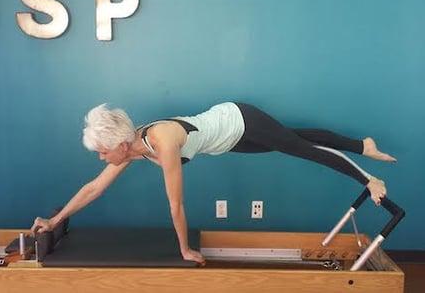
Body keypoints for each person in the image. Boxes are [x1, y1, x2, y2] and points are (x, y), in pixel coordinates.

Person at [31, 102, 396, 264]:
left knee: (300, 149)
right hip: (231, 141)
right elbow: (94, 187)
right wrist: (56, 219)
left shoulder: (163, 142)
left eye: (102, 151)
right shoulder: (134, 149)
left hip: (241, 120)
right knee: (297, 138)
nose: (101, 158)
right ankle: (363, 145)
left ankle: (369, 177)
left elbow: (175, 204)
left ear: (121, 145)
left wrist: (184, 250)